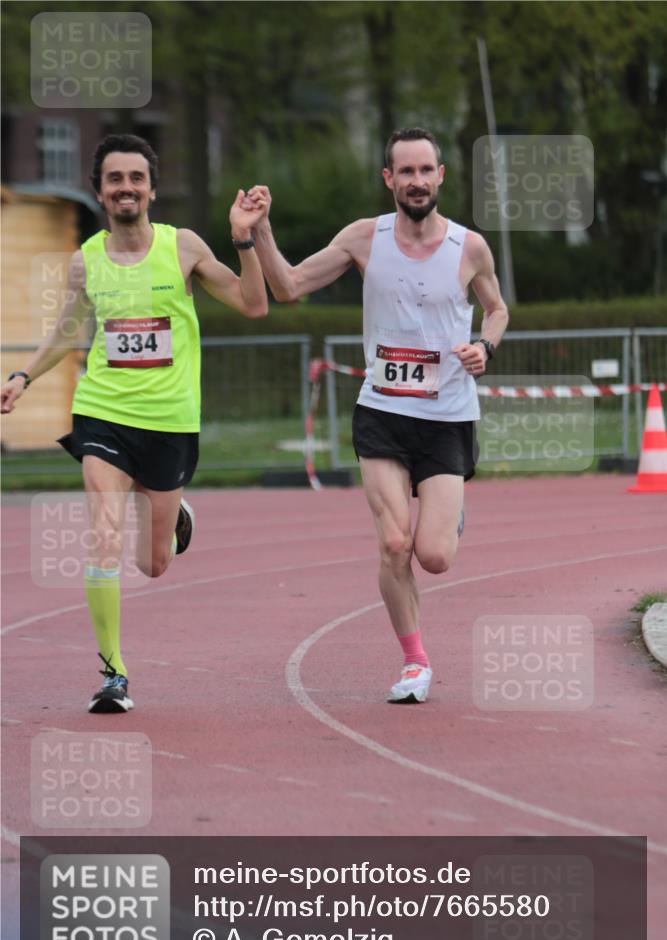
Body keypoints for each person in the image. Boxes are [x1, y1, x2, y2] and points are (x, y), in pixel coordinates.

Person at [1, 134, 268, 713]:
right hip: (103, 411)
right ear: (100, 190)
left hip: (170, 420)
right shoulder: (86, 259)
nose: (126, 188)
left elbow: (254, 304)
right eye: (115, 179)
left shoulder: (184, 248)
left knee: (153, 562)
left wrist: (244, 238)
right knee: (102, 536)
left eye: (136, 178)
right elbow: (70, 333)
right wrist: (24, 376)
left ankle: (175, 515)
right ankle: (113, 673)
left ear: (151, 188)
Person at [246, 126, 508, 703]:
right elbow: (288, 286)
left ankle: (449, 513)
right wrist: (259, 231)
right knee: (394, 543)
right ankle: (415, 662)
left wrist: (484, 347)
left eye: (425, 170)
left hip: (446, 416)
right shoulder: (365, 238)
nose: (416, 181)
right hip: (383, 413)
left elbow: (497, 308)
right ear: (389, 180)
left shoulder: (470, 247)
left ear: (441, 176)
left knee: (433, 555)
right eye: (405, 171)